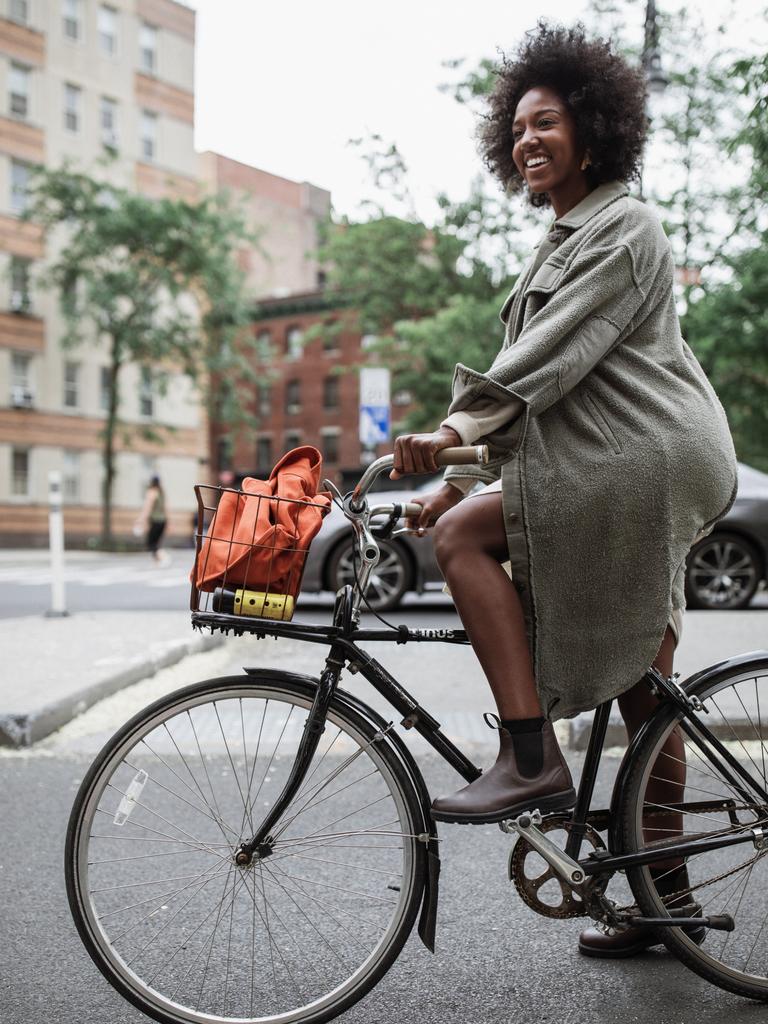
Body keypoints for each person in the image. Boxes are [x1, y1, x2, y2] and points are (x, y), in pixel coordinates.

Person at [390, 21, 738, 957]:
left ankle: (531, 757)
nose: (527, 141)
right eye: (515, 130)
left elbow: (543, 363)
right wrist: (457, 470)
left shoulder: (625, 227)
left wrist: (457, 432)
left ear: (593, 128)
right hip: (607, 454)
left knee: (465, 544)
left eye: (545, 123)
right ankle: (670, 908)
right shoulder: (558, 240)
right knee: (643, 691)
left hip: (649, 458)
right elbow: (554, 406)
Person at [136, 475, 170, 566]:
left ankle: (163, 557)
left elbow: (147, 508)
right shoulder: (161, 493)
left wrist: (141, 520)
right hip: (162, 521)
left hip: (156, 521)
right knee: (155, 543)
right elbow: (165, 508)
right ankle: (157, 562)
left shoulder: (151, 492)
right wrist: (168, 523)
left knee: (151, 543)